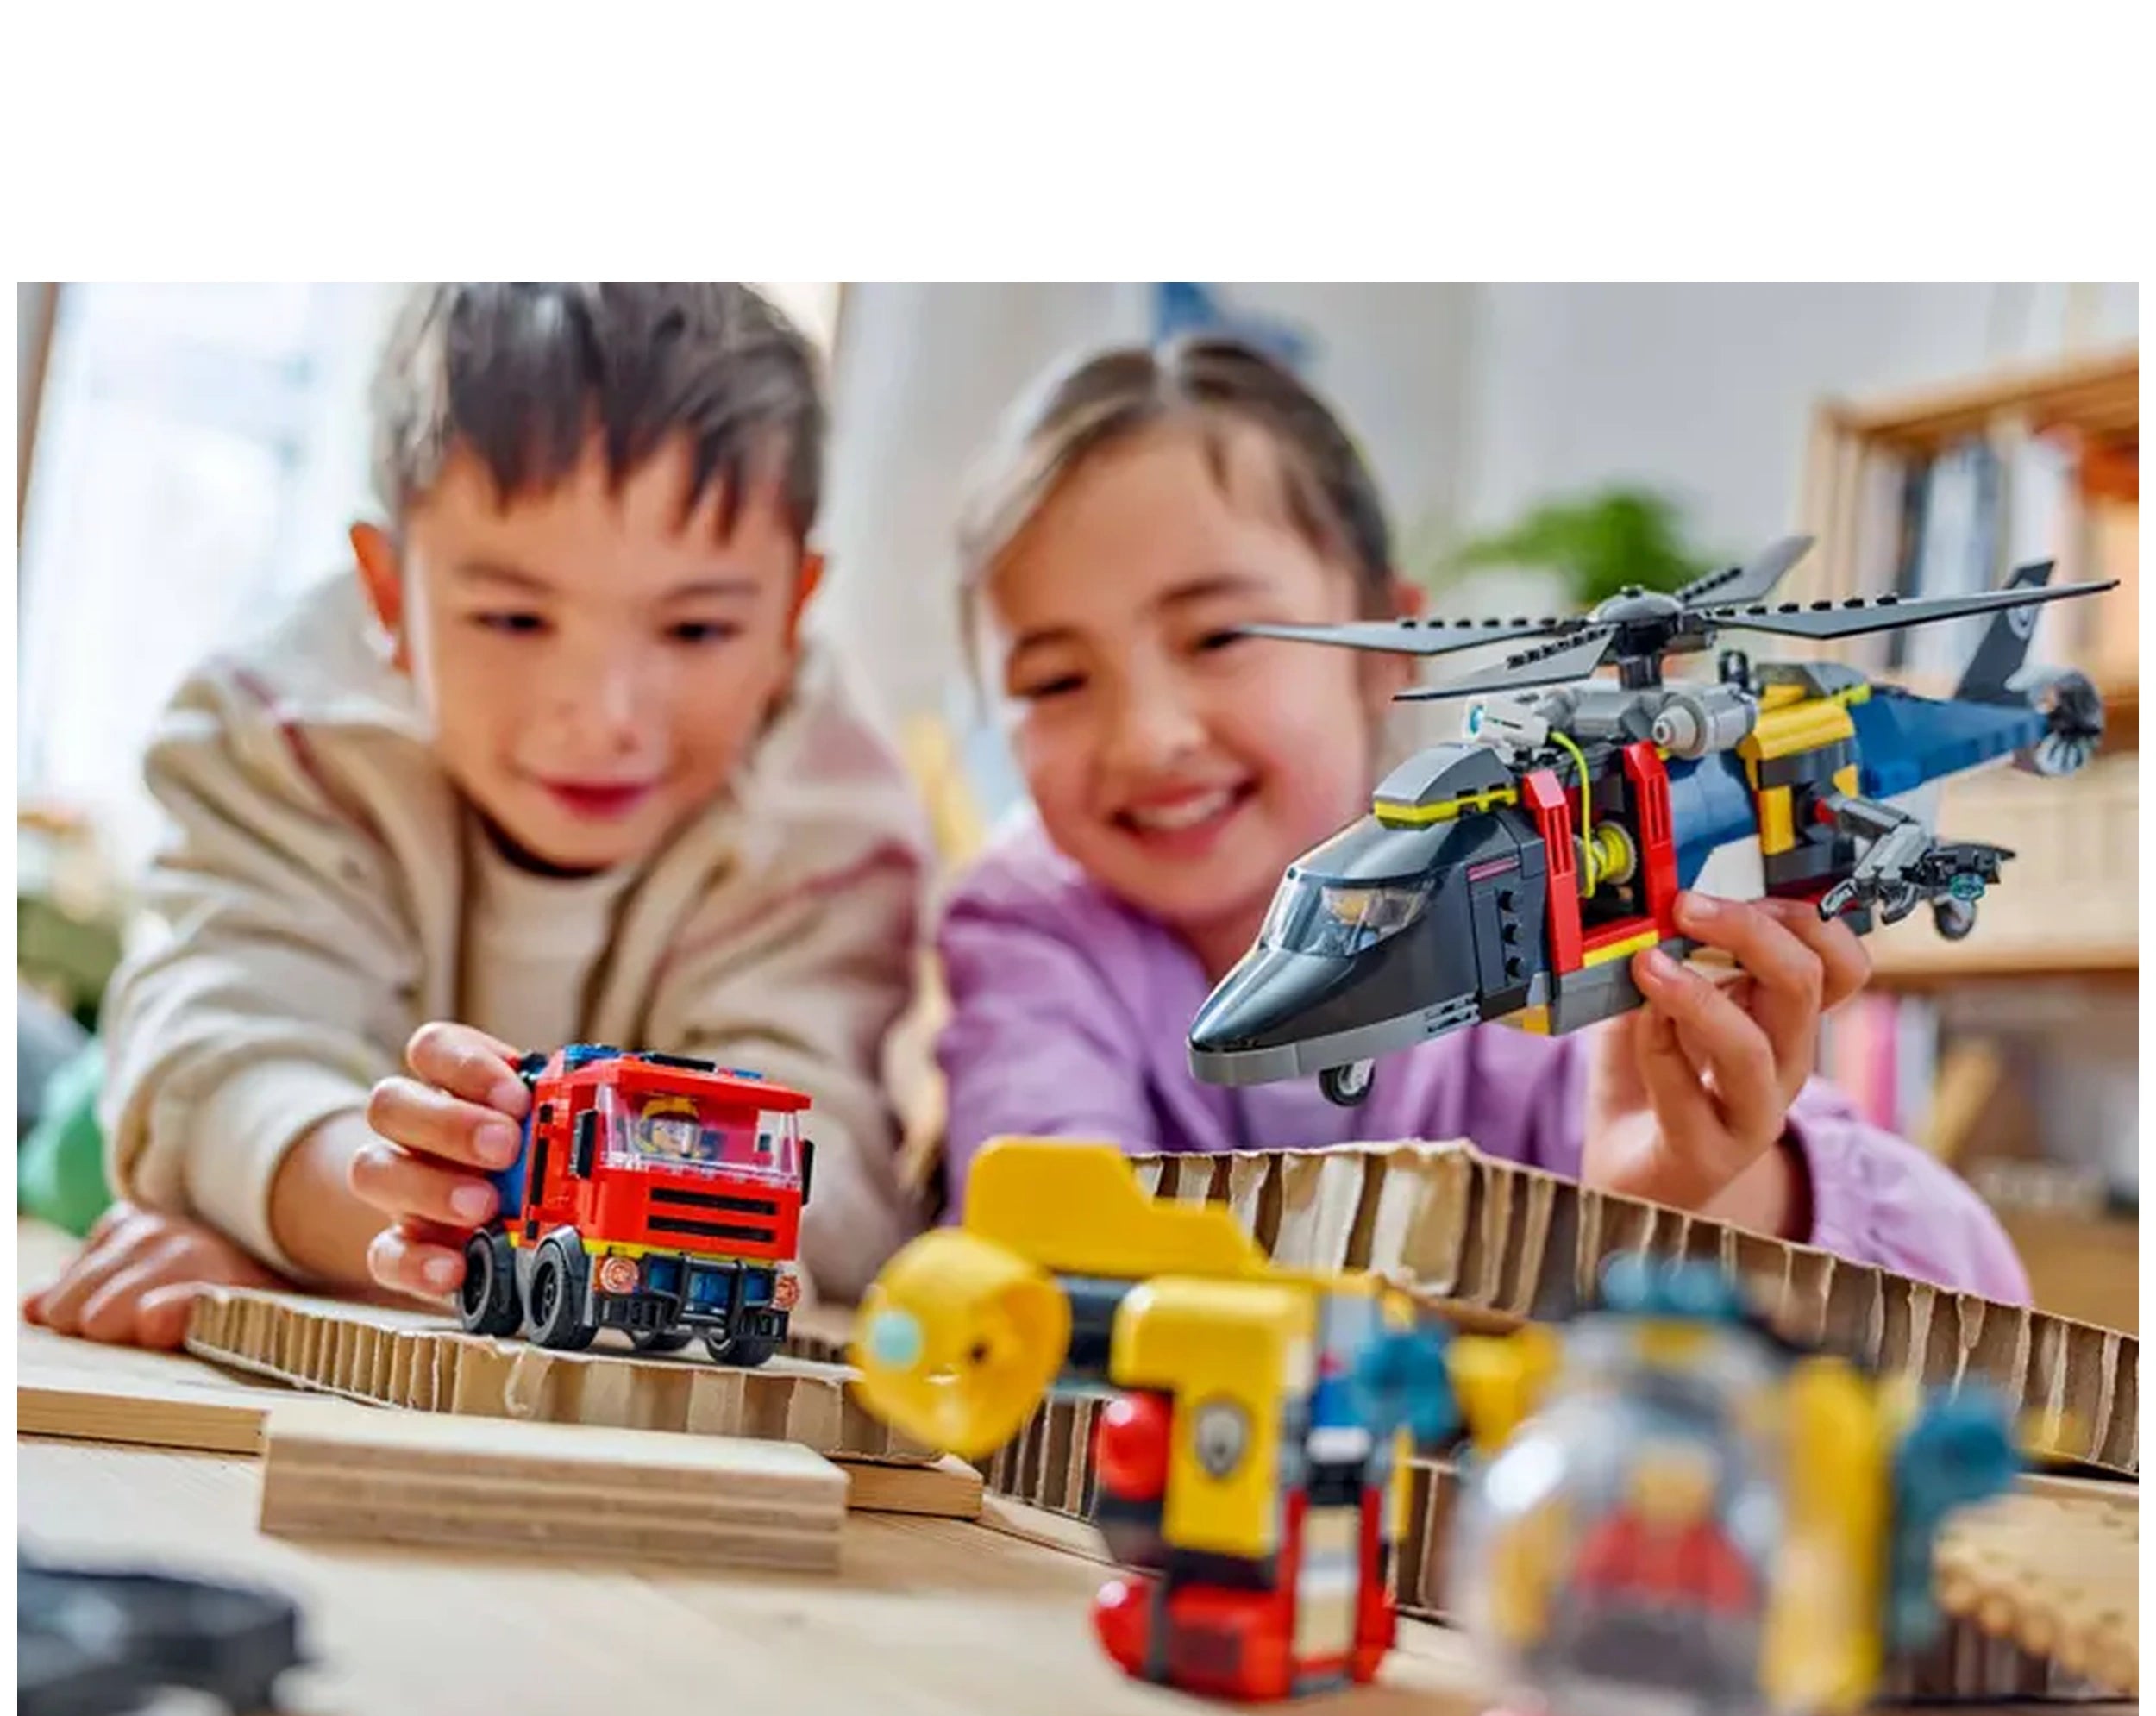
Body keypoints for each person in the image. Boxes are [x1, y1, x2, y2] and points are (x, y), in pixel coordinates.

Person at [934, 336, 2028, 1300]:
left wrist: (1720, 1186)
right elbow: (1039, 1227)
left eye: (1218, 638)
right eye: (1054, 682)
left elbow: (1977, 1275)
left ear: (1385, 650)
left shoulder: (1547, 951)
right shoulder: (1029, 925)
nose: (1145, 736)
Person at [28, 283, 929, 1348]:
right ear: (388, 597)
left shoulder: (835, 817)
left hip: (523, 1221)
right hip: (143, 1114)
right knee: (61, 1113)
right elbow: (219, 1062)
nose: (600, 717)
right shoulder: (279, 727)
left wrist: (363, 1263)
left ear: (790, 614)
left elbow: (826, 1184)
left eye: (693, 629)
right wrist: (317, 1233)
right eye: (512, 616)